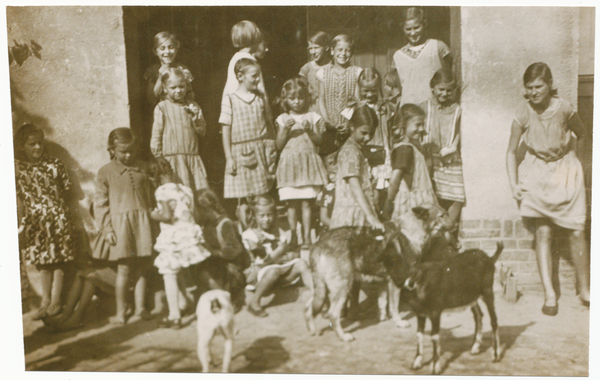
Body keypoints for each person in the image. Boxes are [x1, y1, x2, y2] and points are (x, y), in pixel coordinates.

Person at [506, 62, 590, 315]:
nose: (533, 92)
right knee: (543, 232)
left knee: (576, 231)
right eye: (529, 87)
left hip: (564, 171)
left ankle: (585, 289)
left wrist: (577, 165)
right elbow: (511, 152)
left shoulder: (564, 108)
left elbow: (583, 133)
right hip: (536, 174)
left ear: (550, 85)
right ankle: (549, 294)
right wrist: (514, 184)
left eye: (538, 86)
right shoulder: (522, 114)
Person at [92, 128, 156, 324]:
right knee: (124, 270)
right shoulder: (105, 172)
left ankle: (141, 309)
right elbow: (100, 204)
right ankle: (120, 312)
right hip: (122, 229)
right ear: (112, 150)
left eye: (131, 151)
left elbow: (151, 198)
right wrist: (107, 229)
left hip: (142, 225)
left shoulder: (143, 169)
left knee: (142, 269)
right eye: (123, 152)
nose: (128, 155)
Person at [14, 124, 77, 320]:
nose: (37, 147)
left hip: (57, 218)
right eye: (32, 144)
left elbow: (66, 190)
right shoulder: (18, 168)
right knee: (42, 263)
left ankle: (56, 301)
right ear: (22, 146)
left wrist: (56, 210)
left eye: (40, 143)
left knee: (58, 260)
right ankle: (45, 301)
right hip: (35, 222)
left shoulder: (55, 164)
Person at [150, 159, 211, 329]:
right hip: (189, 233)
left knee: (169, 273)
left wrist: (153, 215)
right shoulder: (186, 189)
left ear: (154, 176)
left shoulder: (161, 191)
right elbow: (192, 212)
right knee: (183, 270)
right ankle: (185, 303)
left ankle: (174, 315)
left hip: (173, 236)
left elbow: (167, 216)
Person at [220, 58, 278, 229]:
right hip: (240, 153)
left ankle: (263, 235)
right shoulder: (230, 99)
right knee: (243, 199)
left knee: (262, 197)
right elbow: (226, 129)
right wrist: (229, 157)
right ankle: (246, 234)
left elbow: (268, 123)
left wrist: (271, 150)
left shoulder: (260, 98)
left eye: (259, 75)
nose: (258, 79)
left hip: (260, 152)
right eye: (254, 76)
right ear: (240, 76)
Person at [275, 77, 328, 249]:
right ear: (286, 99)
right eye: (292, 98)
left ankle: (306, 236)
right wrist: (284, 130)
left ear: (306, 98)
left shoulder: (312, 117)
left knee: (306, 202)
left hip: (307, 164)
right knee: (291, 203)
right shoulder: (282, 118)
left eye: (300, 97)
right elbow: (278, 145)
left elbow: (319, 141)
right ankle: (293, 235)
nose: (296, 102)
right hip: (290, 166)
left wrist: (310, 131)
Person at [242, 195, 314, 318]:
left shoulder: (278, 232)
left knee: (301, 263)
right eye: (262, 216)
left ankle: (315, 294)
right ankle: (254, 302)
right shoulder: (250, 235)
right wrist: (279, 252)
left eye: (269, 215)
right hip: (259, 274)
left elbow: (289, 252)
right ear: (254, 216)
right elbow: (261, 261)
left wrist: (290, 256)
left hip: (278, 274)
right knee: (273, 270)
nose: (266, 219)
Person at [342, 68, 395, 213]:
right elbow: (345, 126)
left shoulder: (384, 106)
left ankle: (378, 218)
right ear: (359, 88)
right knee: (365, 188)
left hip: (380, 150)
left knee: (378, 191)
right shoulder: (353, 106)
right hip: (362, 150)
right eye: (366, 91)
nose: (370, 94)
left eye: (373, 91)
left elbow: (389, 128)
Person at [419, 68, 465, 229]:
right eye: (441, 89)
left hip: (450, 158)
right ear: (433, 87)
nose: (445, 93)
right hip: (430, 158)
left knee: (457, 196)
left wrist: (453, 146)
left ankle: (448, 227)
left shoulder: (457, 110)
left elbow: (459, 130)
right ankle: (435, 230)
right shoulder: (424, 107)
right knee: (432, 195)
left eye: (449, 90)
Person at [150, 67, 208, 194]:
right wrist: (158, 157)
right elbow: (156, 135)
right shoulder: (162, 107)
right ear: (165, 88)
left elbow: (202, 132)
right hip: (172, 162)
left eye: (182, 86)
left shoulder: (193, 106)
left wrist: (196, 118)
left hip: (192, 159)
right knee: (178, 196)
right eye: (173, 88)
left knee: (198, 195)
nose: (178, 91)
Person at [329, 105, 384, 230]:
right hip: (353, 213)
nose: (368, 138)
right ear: (352, 127)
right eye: (363, 133)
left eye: (371, 133)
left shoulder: (356, 149)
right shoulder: (350, 151)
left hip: (359, 209)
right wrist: (370, 216)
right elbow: (354, 184)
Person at [382, 104, 438, 223]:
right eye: (417, 125)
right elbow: (395, 179)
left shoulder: (412, 147)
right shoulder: (404, 149)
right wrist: (389, 201)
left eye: (422, 124)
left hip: (420, 201)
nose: (422, 129)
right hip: (411, 203)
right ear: (403, 125)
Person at [393, 7, 451, 106]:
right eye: (408, 29)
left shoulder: (438, 47)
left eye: (416, 27)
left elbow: (448, 78)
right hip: (410, 109)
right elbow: (400, 86)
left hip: (434, 107)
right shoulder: (398, 56)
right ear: (402, 28)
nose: (413, 33)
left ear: (424, 25)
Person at [317, 34, 363, 157]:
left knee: (348, 156)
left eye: (347, 50)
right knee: (329, 158)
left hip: (348, 126)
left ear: (352, 53)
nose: (343, 53)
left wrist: (349, 122)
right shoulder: (323, 73)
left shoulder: (356, 72)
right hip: (329, 126)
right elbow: (321, 99)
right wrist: (326, 120)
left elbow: (357, 100)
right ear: (332, 51)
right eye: (340, 50)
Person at [221, 20, 269, 101]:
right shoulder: (250, 61)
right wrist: (267, 109)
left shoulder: (235, 58)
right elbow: (260, 87)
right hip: (247, 102)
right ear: (254, 39)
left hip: (235, 102)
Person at [144, 31, 194, 107]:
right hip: (161, 112)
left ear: (176, 49)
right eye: (162, 48)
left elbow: (190, 95)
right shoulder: (153, 71)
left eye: (171, 47)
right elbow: (151, 99)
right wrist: (160, 78)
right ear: (155, 51)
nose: (167, 52)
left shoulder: (182, 69)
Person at [299, 31, 332, 113]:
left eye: (316, 48)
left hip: (332, 107)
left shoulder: (334, 66)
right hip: (313, 109)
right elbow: (301, 92)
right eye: (310, 48)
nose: (313, 52)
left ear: (326, 48)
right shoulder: (306, 68)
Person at [315, 152, 338, 234]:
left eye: (335, 173)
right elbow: (323, 218)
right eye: (329, 173)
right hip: (331, 229)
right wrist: (338, 227)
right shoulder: (328, 190)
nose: (331, 177)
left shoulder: (349, 189)